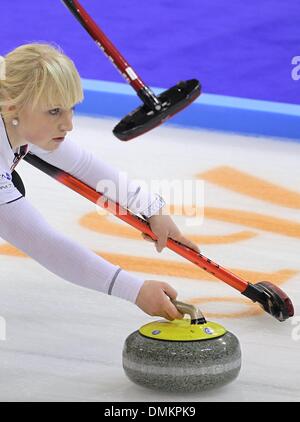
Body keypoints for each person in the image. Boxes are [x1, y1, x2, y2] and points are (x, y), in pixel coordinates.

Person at [0, 43, 200, 321]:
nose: (68, 125)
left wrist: (152, 208)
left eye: (70, 109)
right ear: (12, 106)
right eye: (55, 111)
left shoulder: (16, 120)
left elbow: (83, 165)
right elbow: (45, 244)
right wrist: (135, 290)